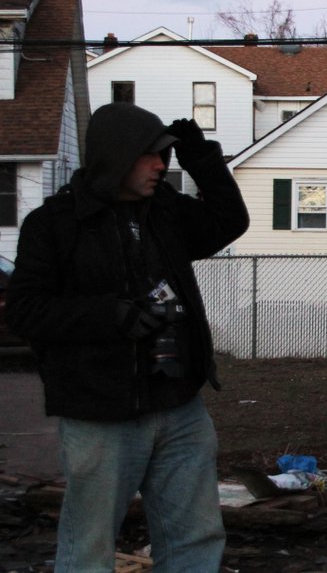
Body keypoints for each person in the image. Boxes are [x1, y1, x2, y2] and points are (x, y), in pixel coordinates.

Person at [6, 102, 249, 572]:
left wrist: (202, 160)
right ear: (117, 156)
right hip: (100, 415)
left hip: (179, 405)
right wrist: (110, 315)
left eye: (165, 155)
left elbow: (228, 224)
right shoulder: (55, 224)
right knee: (90, 546)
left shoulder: (165, 213)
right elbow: (26, 311)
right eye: (150, 155)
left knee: (195, 536)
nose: (162, 165)